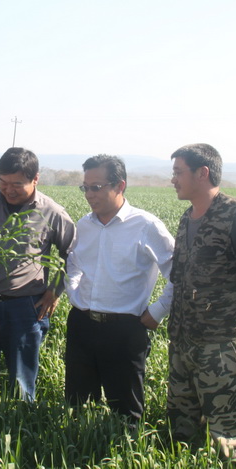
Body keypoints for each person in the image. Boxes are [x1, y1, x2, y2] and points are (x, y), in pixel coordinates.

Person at [166, 143, 236, 462]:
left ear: (203, 173)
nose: (173, 179)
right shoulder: (187, 218)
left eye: (178, 172)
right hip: (183, 340)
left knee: (232, 432)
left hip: (221, 345)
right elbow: (180, 277)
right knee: (181, 428)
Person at [0, 147, 75, 402]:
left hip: (25, 308)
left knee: (21, 384)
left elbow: (73, 254)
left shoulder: (51, 212)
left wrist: (55, 291)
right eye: (3, 182)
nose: (8, 190)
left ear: (35, 179)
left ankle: (20, 421)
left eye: (17, 184)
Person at [64, 154, 175, 420]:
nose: (89, 195)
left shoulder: (146, 226)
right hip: (82, 324)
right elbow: (74, 263)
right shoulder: (84, 225)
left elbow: (179, 273)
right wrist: (74, 293)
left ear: (120, 186)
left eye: (96, 187)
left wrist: (158, 311)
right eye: (85, 187)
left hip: (125, 330)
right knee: (76, 407)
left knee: (126, 413)